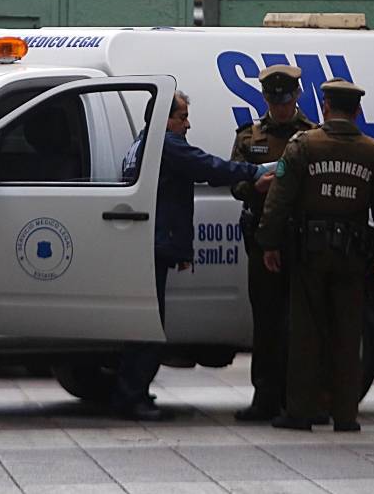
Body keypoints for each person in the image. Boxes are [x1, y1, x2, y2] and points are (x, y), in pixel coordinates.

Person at [256, 78, 374, 432]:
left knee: (306, 333)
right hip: (353, 256)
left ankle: (300, 412)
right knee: (347, 334)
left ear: (325, 108)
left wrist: (269, 242)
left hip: (309, 253)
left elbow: (279, 200)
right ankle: (346, 415)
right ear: (356, 112)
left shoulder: (303, 145)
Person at [113, 90, 265, 421]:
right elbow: (206, 166)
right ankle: (132, 396)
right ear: (163, 120)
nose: (187, 124)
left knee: (144, 324)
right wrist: (253, 172)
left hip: (148, 245)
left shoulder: (142, 143)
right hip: (153, 245)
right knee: (148, 327)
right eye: (182, 117)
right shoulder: (165, 144)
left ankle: (132, 391)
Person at [229, 65, 315, 421]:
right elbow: (235, 183)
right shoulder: (249, 135)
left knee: (299, 320)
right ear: (265, 99)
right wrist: (255, 186)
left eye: (286, 98)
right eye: (273, 100)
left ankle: (295, 397)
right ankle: (264, 397)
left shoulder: (312, 136)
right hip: (261, 236)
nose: (280, 106)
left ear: (297, 96)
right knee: (264, 319)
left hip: (299, 236)